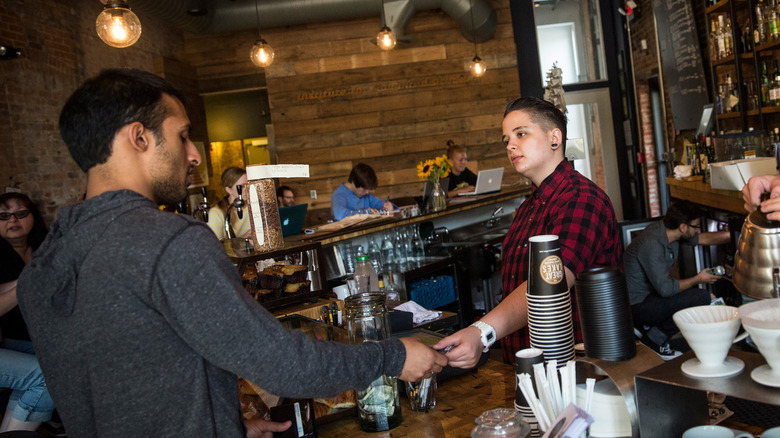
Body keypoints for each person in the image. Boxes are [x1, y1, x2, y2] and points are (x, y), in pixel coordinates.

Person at [16, 68, 446, 438]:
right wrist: (394, 356)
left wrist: (225, 423)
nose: (194, 155)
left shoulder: (43, 265)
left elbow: (122, 385)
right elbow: (281, 363)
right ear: (139, 137)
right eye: (182, 135)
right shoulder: (168, 241)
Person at [433, 97, 621, 367]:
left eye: (521, 134)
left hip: (577, 371)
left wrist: (482, 331)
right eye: (506, 139)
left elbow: (549, 285)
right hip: (530, 370)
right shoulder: (530, 206)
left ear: (554, 138)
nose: (510, 145)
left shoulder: (581, 199)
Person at [624, 200, 730, 358]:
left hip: (651, 296)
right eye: (695, 226)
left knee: (695, 296)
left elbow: (704, 239)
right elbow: (666, 289)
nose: (697, 230)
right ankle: (653, 341)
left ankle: (648, 329)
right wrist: (699, 278)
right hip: (639, 306)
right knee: (700, 297)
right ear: (683, 227)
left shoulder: (668, 232)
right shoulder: (652, 244)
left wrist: (736, 235)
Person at [0, 192, 56, 432]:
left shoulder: (45, 246)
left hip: (31, 337)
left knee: (65, 357)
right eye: (4, 216)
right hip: (13, 338)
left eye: (20, 214)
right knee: (46, 376)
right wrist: (29, 282)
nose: (13, 221)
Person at [207, 166, 251, 240]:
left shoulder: (253, 206)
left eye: (248, 184)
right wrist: (243, 240)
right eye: (242, 186)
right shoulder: (216, 213)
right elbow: (215, 245)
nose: (247, 189)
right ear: (228, 190)